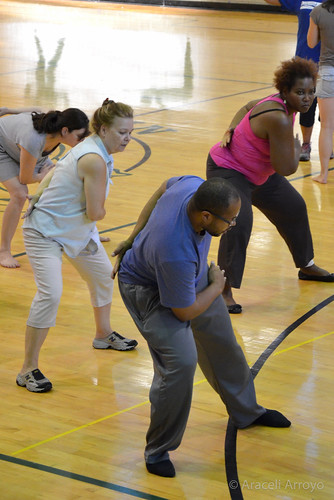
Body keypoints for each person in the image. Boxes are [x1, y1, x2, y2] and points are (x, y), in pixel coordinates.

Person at [113, 175, 291, 478]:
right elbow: (184, 312)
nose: (231, 225)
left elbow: (161, 186)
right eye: (229, 221)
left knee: (223, 341)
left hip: (187, 278)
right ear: (206, 216)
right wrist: (218, 286)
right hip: (147, 291)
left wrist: (132, 238)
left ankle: (247, 413)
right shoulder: (175, 249)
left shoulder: (191, 186)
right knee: (180, 363)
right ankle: (157, 451)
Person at [16, 99, 138, 393]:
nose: (127, 138)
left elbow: (62, 181)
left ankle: (103, 334)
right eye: (122, 132)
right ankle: (27, 369)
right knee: (51, 294)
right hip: (44, 232)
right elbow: (96, 213)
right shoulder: (93, 159)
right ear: (104, 129)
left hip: (76, 231)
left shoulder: (98, 149)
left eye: (130, 132)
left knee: (102, 275)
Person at [206, 57, 334, 314]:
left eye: (310, 92)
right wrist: (297, 150)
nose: (307, 98)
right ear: (284, 91)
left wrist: (231, 127)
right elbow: (286, 168)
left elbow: (246, 105)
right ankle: (223, 289)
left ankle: (306, 265)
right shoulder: (278, 118)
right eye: (300, 92)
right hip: (228, 170)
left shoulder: (281, 105)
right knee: (239, 221)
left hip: (257, 175)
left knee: (294, 206)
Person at [0, 106, 90, 268]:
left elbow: (35, 109)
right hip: (2, 147)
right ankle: (3, 251)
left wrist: (8, 110)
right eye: (79, 136)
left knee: (67, 179)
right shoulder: (34, 139)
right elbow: (26, 177)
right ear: (64, 131)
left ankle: (86, 232)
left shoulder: (53, 125)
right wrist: (43, 176)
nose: (82, 141)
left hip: (18, 146)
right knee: (20, 194)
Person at [263, 0, 333, 162]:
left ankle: (327, 145)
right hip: (305, 63)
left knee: (328, 111)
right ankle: (306, 144)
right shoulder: (301, 1)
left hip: (329, 65)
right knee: (306, 106)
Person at [308, 0, 334, 183]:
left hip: (327, 73)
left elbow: (311, 43)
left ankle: (323, 174)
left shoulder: (317, 12)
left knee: (326, 126)